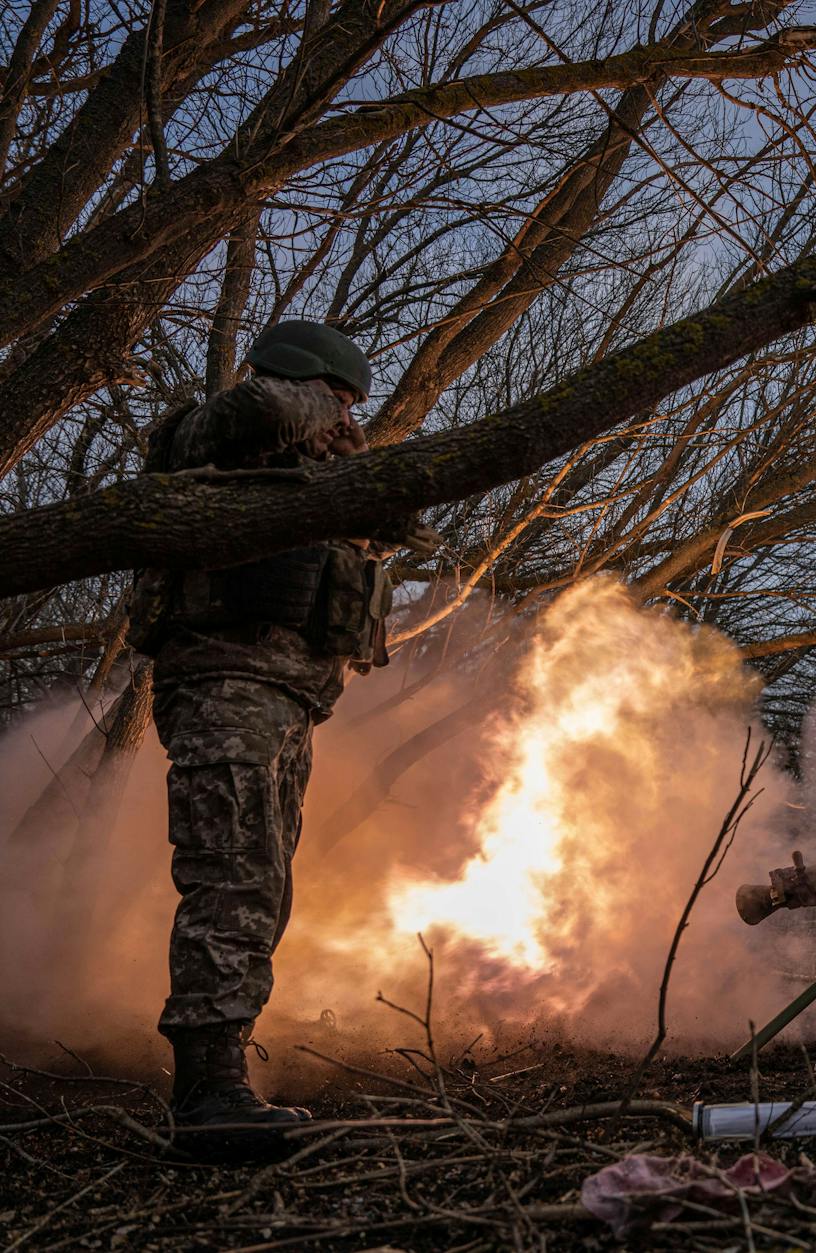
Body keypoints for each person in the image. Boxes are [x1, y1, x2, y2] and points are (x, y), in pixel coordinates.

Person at [129, 320, 435, 1136]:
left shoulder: (314, 475)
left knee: (260, 881)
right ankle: (203, 1096)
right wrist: (311, 406)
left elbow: (397, 523)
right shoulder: (212, 433)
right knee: (231, 877)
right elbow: (255, 412)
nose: (344, 420)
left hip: (286, 699)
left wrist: (364, 474)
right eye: (336, 402)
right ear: (302, 385)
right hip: (227, 679)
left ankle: (219, 1077)